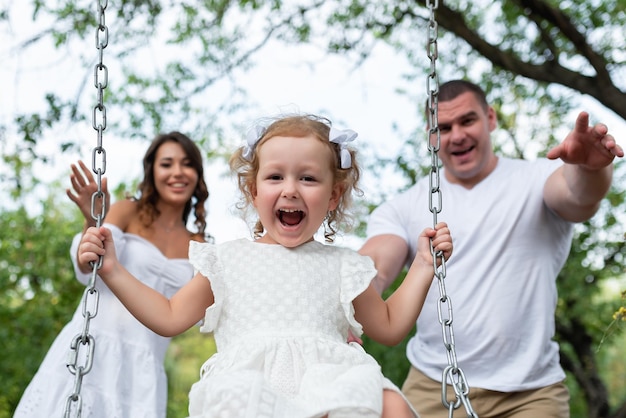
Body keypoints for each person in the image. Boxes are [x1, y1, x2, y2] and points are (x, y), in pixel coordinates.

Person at [76, 114, 453, 418]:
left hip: (331, 382)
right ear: (253, 191)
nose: (290, 189)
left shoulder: (343, 265)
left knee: (391, 405)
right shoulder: (227, 259)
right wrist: (113, 269)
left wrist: (422, 265)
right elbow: (170, 315)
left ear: (334, 194)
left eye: (307, 178)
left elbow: (388, 326)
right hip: (251, 388)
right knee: (248, 396)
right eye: (275, 177)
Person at [359, 79, 624, 417]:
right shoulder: (403, 206)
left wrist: (589, 168)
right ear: (431, 136)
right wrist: (332, 282)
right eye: (444, 127)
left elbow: (579, 197)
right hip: (433, 387)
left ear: (491, 118)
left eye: (467, 121)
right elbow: (375, 267)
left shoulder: (537, 178)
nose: (456, 135)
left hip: (531, 394)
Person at [14, 132, 210, 418]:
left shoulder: (201, 247)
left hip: (143, 371)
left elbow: (201, 316)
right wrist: (91, 220)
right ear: (152, 171)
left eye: (187, 164)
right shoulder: (126, 211)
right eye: (167, 164)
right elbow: (88, 266)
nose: (177, 172)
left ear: (198, 175)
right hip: (90, 348)